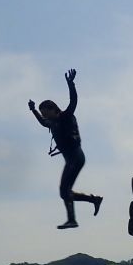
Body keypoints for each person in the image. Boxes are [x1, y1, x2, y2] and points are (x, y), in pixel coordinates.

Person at [29, 69, 103, 229]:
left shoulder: (66, 116)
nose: (45, 116)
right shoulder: (52, 123)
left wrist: (71, 84)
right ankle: (93, 200)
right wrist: (33, 110)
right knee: (64, 192)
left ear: (53, 109)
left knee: (64, 190)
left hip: (76, 157)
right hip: (71, 159)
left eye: (46, 112)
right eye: (43, 114)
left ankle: (73, 219)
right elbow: (42, 122)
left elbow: (73, 101)